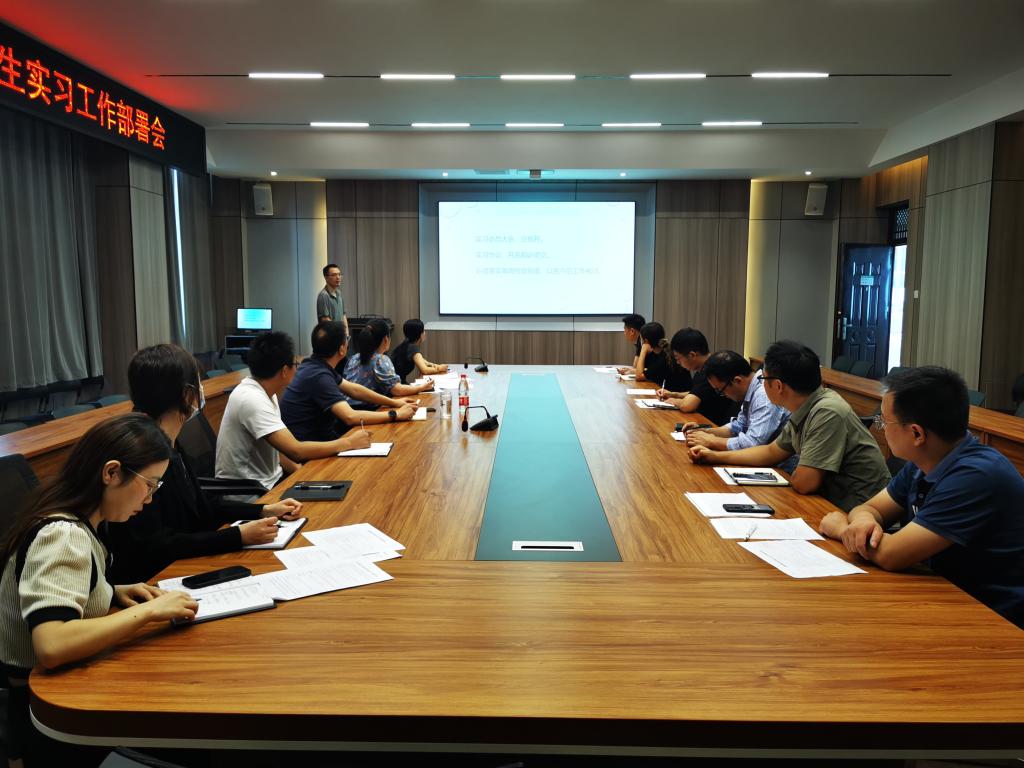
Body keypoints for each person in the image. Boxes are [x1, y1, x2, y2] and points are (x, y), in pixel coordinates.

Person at [0, 414, 199, 767]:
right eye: (149, 485)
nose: (150, 499)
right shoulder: (63, 536)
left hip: (55, 699)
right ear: (112, 473)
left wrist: (110, 591)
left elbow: (63, 588)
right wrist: (149, 611)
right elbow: (52, 645)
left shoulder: (71, 519)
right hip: (50, 717)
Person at [819, 366, 1024, 628]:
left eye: (884, 422)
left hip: (993, 620)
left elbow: (891, 554)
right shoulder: (924, 461)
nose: (881, 428)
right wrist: (861, 522)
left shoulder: (977, 476)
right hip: (941, 595)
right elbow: (871, 508)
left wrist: (841, 528)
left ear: (917, 434)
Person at [105, 344, 302, 584]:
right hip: (158, 579)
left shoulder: (170, 442)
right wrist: (237, 536)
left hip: (185, 562)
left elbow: (202, 508)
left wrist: (263, 510)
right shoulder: (143, 456)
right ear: (187, 394)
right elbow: (157, 545)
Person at [690, 340, 890, 511]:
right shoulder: (804, 407)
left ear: (778, 385)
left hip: (858, 510)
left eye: (763, 378)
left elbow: (804, 483)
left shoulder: (827, 411)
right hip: (832, 502)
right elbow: (771, 452)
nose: (761, 384)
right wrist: (714, 456)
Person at [215, 331, 372, 488]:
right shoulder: (251, 399)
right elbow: (296, 451)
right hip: (249, 493)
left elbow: (278, 450)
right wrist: (349, 442)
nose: (297, 369)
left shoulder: (266, 392)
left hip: (270, 481)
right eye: (295, 365)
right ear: (284, 371)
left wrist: (301, 474)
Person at [282, 321, 418, 441]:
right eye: (347, 339)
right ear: (342, 349)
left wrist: (394, 402)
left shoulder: (314, 365)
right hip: (313, 449)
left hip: (321, 438)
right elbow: (350, 417)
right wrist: (395, 414)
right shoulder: (319, 376)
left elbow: (354, 390)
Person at [683, 350, 789, 451]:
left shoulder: (764, 396)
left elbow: (753, 443)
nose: (723, 395)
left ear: (737, 380)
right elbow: (738, 427)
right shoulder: (752, 389)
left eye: (720, 390)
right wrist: (705, 432)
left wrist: (712, 441)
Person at [343, 318, 434, 407]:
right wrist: (422, 387)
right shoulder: (380, 360)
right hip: (369, 409)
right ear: (386, 339)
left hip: (346, 407)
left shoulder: (353, 358)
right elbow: (397, 390)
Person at [657, 328, 739, 426]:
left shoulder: (710, 371)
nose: (678, 363)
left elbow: (687, 405)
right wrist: (674, 394)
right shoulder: (707, 366)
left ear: (692, 355)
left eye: (678, 358)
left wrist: (675, 401)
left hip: (715, 424)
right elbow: (698, 392)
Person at [634, 322, 691, 391]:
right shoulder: (664, 350)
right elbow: (644, 370)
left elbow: (639, 376)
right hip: (670, 392)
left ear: (645, 341)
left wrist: (643, 350)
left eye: (641, 339)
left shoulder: (665, 357)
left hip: (679, 395)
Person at [316, 263, 347, 334]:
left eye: (339, 274)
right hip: (331, 336)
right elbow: (325, 320)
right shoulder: (323, 295)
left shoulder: (339, 293)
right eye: (334, 275)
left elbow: (343, 315)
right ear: (326, 278)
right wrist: (339, 334)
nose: (338, 277)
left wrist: (346, 334)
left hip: (340, 335)